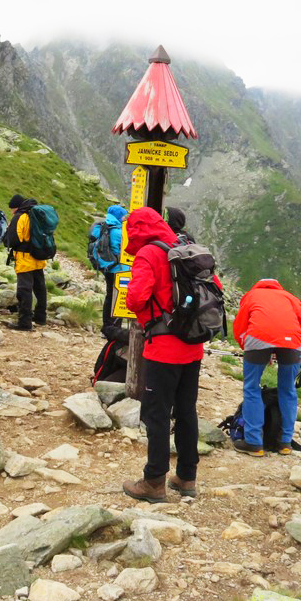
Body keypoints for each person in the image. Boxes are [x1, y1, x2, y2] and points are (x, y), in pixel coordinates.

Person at [121, 207, 206, 503]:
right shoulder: (183, 248)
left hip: (163, 347)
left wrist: (147, 313)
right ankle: (186, 476)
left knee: (156, 414)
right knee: (186, 411)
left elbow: (136, 297)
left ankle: (154, 481)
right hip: (192, 346)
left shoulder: (148, 254)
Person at [231, 279, 301, 456]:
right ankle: (285, 443)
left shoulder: (251, 295)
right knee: (288, 390)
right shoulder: (290, 297)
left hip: (257, 339)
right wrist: (299, 345)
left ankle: (254, 443)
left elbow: (240, 326)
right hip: (291, 343)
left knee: (251, 388)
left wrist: (248, 348)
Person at [4, 194, 47, 331]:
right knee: (40, 287)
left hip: (24, 258)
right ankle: (40, 317)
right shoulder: (37, 214)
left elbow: (13, 240)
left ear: (17, 207)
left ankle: (24, 322)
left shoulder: (20, 217)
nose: (12, 212)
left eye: (12, 209)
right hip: (39, 256)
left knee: (24, 289)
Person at [90, 205, 130, 330]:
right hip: (119, 269)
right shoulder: (118, 231)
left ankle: (106, 325)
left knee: (109, 295)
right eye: (123, 216)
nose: (124, 218)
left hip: (107, 267)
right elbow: (125, 251)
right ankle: (114, 326)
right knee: (118, 297)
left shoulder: (104, 227)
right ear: (118, 216)